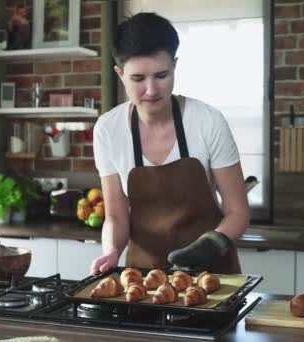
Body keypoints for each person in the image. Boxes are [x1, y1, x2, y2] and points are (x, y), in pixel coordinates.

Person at [90, 12, 250, 275]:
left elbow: (238, 210)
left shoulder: (207, 121)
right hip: (143, 279)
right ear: (119, 74)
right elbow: (116, 217)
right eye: (138, 79)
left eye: (161, 75)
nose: (151, 90)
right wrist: (110, 251)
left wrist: (211, 244)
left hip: (212, 275)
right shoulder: (108, 130)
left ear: (175, 66)